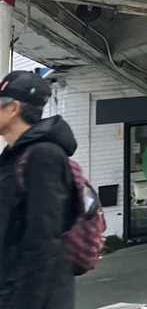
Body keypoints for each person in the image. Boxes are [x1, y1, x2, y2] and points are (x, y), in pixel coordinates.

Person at [0, 71, 77, 309]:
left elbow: (44, 239)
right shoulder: (14, 156)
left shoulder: (44, 155)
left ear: (13, 108)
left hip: (32, 298)